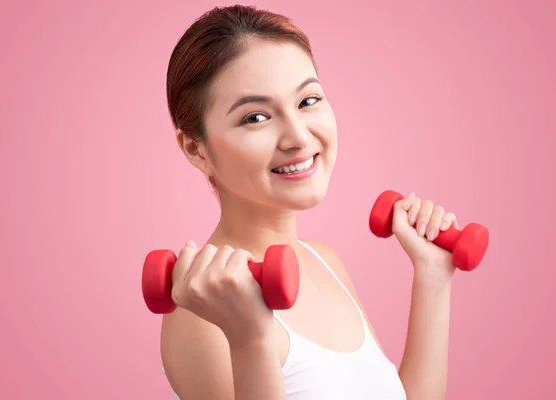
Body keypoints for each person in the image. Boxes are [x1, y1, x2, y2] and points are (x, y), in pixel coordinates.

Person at [160, 5, 459, 400]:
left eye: (307, 101)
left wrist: (434, 277)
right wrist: (252, 340)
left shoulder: (324, 262)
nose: (298, 138)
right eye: (255, 117)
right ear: (196, 149)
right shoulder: (201, 309)